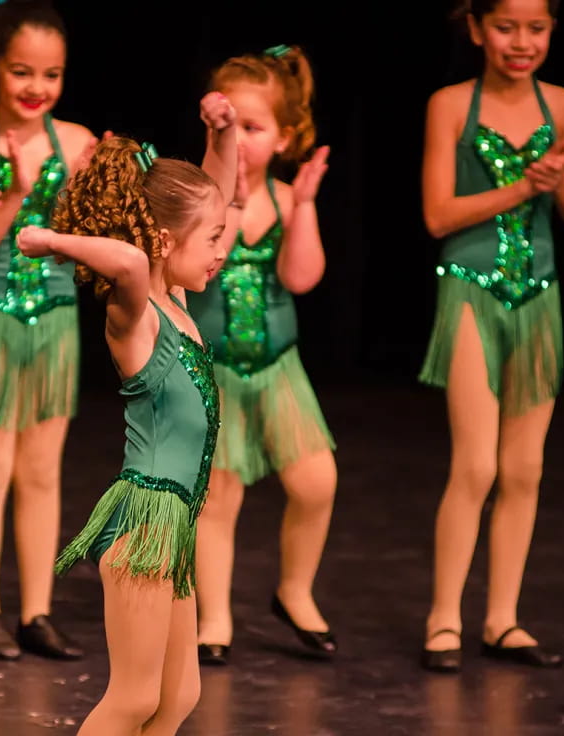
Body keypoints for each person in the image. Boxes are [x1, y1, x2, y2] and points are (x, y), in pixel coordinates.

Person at [32, 93, 236, 736]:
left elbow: (218, 195)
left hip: (173, 528)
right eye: (212, 240)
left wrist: (224, 134)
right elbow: (124, 258)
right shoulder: (139, 316)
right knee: (134, 698)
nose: (221, 251)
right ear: (166, 240)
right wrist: (48, 238)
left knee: (178, 698)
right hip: (146, 521)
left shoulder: (175, 300)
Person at [418, 0, 564, 672]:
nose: (522, 42)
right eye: (506, 27)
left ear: (553, 31)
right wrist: (525, 186)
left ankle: (502, 618)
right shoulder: (450, 105)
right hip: (471, 289)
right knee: (478, 464)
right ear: (475, 28)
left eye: (537, 28)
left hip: (538, 298)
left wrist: (559, 180)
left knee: (525, 468)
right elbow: (438, 214)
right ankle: (443, 618)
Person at [0, 0, 99, 660]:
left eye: (51, 74)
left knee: (41, 471)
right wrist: (16, 191)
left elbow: (90, 238)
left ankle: (37, 610)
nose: (37, 88)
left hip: (55, 318)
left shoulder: (79, 142)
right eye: (21, 72)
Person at [186, 44, 338, 666]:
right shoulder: (203, 198)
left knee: (316, 482)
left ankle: (294, 589)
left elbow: (302, 279)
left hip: (277, 367)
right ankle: (214, 613)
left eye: (255, 128)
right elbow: (198, 266)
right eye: (232, 126)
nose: (243, 141)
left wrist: (302, 208)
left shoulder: (283, 198)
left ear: (286, 137)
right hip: (214, 369)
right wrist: (222, 167)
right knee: (218, 497)